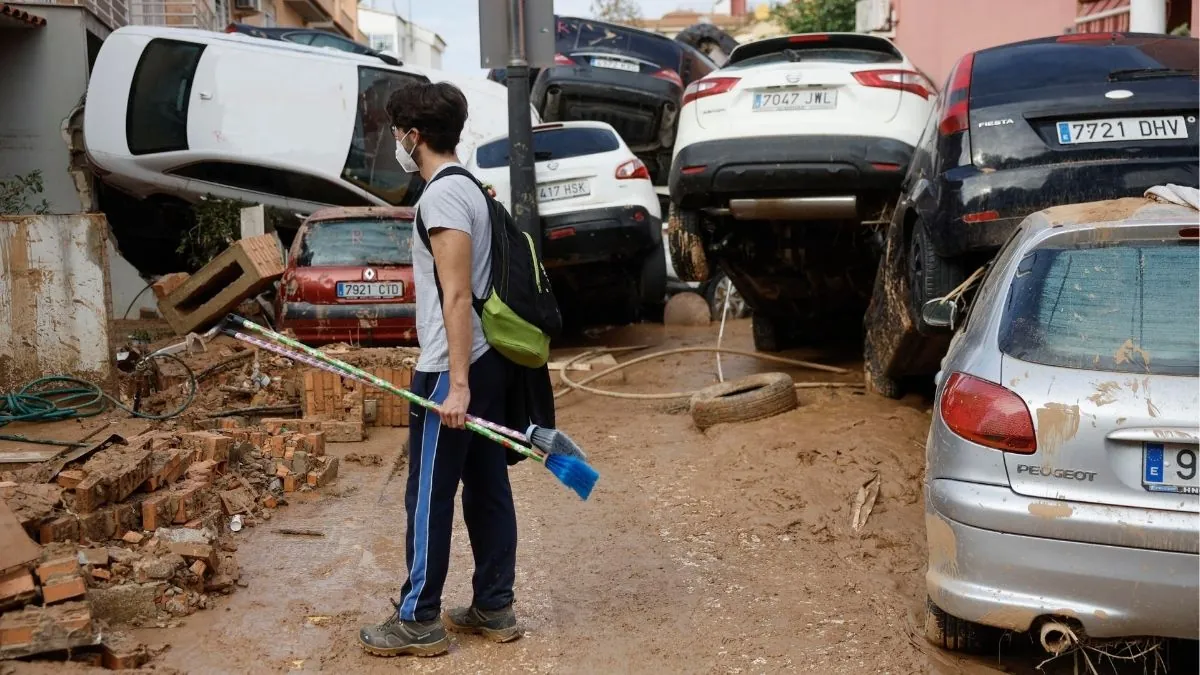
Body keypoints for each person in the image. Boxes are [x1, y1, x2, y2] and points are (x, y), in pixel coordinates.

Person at [358, 81, 521, 658]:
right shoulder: (470, 187)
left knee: (428, 493)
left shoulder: (444, 197)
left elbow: (455, 296)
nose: (397, 141)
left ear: (414, 136)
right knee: (485, 486)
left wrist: (455, 388)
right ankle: (493, 606)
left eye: (398, 131)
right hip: (483, 361)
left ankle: (419, 618)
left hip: (454, 369)